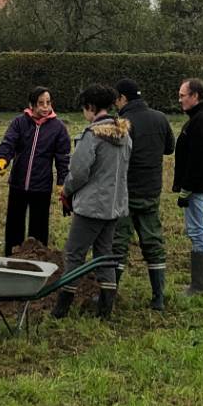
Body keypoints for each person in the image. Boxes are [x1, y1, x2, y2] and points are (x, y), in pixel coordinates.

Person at [55, 84, 130, 321]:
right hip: (114, 206)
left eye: (84, 109)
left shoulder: (92, 136)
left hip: (90, 207)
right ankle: (105, 311)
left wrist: (66, 192)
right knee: (104, 254)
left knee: (74, 254)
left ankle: (61, 310)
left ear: (90, 107)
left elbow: (78, 173)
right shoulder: (124, 135)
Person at [112, 78, 175, 311]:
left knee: (118, 244)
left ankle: (110, 296)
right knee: (153, 243)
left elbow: (116, 155)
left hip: (127, 192)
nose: (115, 105)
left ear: (123, 98)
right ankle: (158, 297)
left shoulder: (123, 122)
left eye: (116, 100)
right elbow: (170, 148)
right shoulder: (160, 118)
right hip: (151, 190)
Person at [0, 86, 72, 254]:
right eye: (41, 103)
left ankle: (38, 259)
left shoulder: (58, 128)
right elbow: (8, 143)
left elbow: (63, 157)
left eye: (48, 103)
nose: (45, 107)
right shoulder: (19, 122)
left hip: (41, 186)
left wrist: (61, 182)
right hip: (18, 184)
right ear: (31, 105)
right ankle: (11, 257)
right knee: (14, 225)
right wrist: (2, 160)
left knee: (39, 228)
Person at [172, 76, 203, 295]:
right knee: (199, 230)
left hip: (195, 188)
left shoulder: (201, 122)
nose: (179, 99)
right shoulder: (200, 119)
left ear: (195, 96)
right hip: (199, 186)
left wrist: (186, 190)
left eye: (183, 95)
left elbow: (198, 160)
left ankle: (199, 286)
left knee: (197, 231)